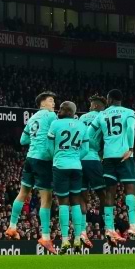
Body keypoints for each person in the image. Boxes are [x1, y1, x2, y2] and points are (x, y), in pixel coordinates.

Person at [8, 92, 58, 254]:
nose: (53, 104)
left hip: (30, 158)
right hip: (43, 160)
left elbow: (23, 141)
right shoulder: (51, 116)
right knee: (46, 199)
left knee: (23, 193)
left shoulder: (31, 118)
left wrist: (36, 139)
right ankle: (45, 237)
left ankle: (12, 227)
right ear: (42, 103)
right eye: (51, 101)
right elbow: (57, 132)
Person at [97, 89, 135, 241]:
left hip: (109, 157)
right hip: (125, 156)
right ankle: (133, 226)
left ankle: (109, 228)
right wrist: (130, 148)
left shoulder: (101, 115)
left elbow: (91, 135)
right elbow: (130, 128)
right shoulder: (130, 112)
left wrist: (97, 151)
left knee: (110, 192)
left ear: (109, 100)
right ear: (120, 100)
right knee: (130, 189)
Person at [48, 101, 87, 251]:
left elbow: (49, 147)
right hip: (76, 166)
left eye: (63, 108)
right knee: (76, 202)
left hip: (60, 166)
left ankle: (65, 239)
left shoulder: (55, 124)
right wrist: (75, 157)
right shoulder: (82, 126)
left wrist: (56, 156)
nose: (59, 109)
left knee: (63, 202)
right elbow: (86, 149)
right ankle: (77, 238)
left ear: (70, 111)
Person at [75, 96, 109, 249]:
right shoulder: (103, 116)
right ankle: (107, 227)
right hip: (93, 159)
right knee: (104, 195)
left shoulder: (81, 118)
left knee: (82, 196)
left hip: (78, 160)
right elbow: (105, 140)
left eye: (90, 105)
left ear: (95, 105)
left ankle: (82, 231)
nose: (89, 108)